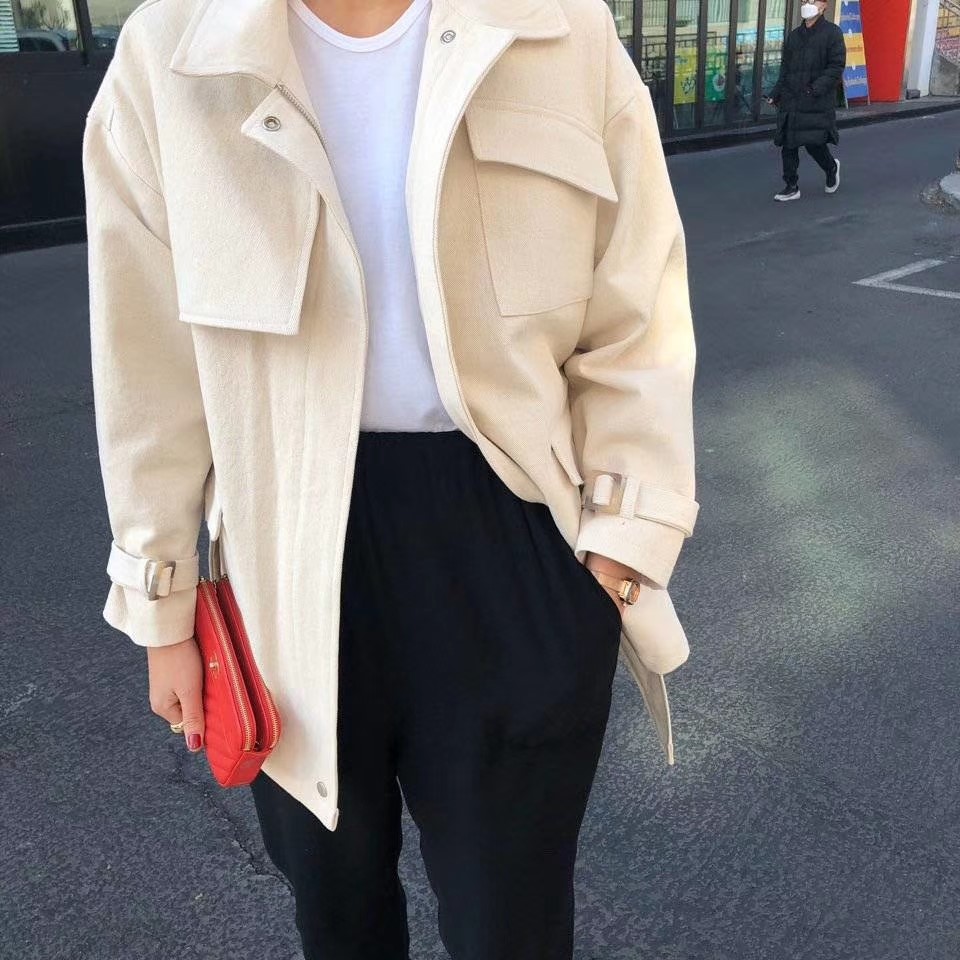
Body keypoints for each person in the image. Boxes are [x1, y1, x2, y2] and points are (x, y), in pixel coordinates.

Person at [82, 0, 700, 957]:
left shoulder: (558, 29)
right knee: (336, 916)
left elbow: (638, 305)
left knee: (513, 926)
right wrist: (161, 604)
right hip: (282, 556)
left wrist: (619, 551)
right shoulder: (171, 51)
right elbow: (144, 364)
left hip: (509, 530)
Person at [765, 0, 846, 202]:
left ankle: (831, 168)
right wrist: (776, 93)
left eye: (812, 0)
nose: (807, 4)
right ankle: (791, 186)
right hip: (791, 99)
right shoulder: (794, 36)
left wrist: (814, 88)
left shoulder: (832, 33)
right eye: (804, 0)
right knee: (788, 143)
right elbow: (785, 69)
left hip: (815, 101)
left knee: (813, 144)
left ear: (824, 6)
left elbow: (836, 67)